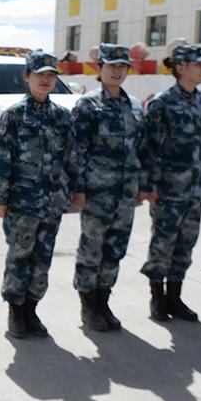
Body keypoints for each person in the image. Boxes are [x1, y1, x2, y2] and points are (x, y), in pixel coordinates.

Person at [0, 50, 81, 339]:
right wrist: (1, 199)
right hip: (22, 203)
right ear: (26, 77)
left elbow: (71, 158)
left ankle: (31, 309)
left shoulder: (62, 117)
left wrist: (75, 190)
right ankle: (15, 312)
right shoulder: (14, 116)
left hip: (52, 204)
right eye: (40, 74)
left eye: (51, 75)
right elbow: (2, 160)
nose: (46, 79)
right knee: (20, 256)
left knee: (42, 259)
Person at [70, 44, 146, 332]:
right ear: (99, 70)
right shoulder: (88, 105)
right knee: (92, 250)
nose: (117, 71)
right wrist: (78, 189)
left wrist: (141, 186)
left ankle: (104, 300)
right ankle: (89, 306)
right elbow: (77, 151)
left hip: (125, 195)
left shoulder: (135, 105)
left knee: (115, 250)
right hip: (97, 194)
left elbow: (141, 149)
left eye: (122, 66)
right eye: (111, 65)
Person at [139, 44, 201, 322]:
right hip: (168, 190)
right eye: (199, 64)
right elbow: (150, 148)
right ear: (181, 67)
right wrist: (149, 186)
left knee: (186, 244)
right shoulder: (163, 103)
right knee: (163, 243)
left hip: (195, 189)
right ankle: (157, 297)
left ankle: (175, 296)